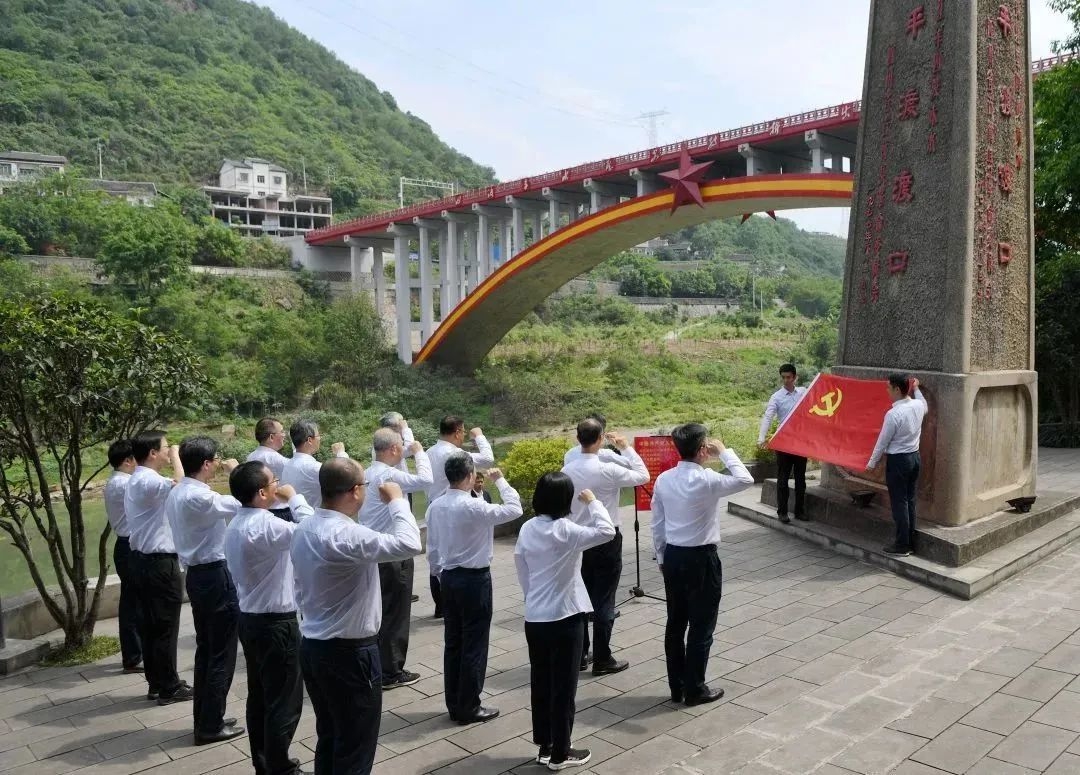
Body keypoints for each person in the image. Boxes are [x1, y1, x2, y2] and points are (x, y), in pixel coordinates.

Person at [291, 459, 421, 775]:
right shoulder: (347, 535)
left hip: (314, 646)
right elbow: (410, 543)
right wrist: (397, 501)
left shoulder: (305, 528)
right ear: (355, 491)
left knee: (331, 734)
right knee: (355, 745)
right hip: (349, 654)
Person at [515, 473, 615, 771]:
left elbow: (522, 568)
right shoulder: (567, 530)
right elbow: (607, 530)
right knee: (564, 686)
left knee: (541, 683)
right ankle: (561, 752)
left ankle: (545, 746)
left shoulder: (527, 528)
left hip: (536, 617)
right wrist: (594, 502)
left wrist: (533, 598)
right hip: (565, 617)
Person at [651, 423, 753, 707]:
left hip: (673, 555)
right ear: (701, 450)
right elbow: (745, 479)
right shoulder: (707, 479)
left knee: (675, 623)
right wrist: (725, 452)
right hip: (701, 558)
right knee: (701, 625)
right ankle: (695, 688)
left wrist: (661, 557)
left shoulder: (664, 479)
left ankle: (677, 686)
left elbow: (657, 523)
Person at [225, 462, 314, 775]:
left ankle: (263, 763)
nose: (278, 484)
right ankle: (280, 767)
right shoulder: (266, 526)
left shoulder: (236, 524)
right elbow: (313, 532)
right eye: (274, 481)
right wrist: (295, 498)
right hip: (276, 623)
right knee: (284, 700)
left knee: (260, 696)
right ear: (262, 493)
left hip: (250, 619)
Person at [426, 453, 522, 724]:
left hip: (448, 577)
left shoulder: (436, 506)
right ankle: (469, 705)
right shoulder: (473, 506)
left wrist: (439, 575)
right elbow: (514, 509)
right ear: (469, 476)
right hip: (474, 579)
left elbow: (432, 549)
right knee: (474, 643)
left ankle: (455, 703)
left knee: (454, 643)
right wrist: (500, 481)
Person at [166, 436, 244, 744]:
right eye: (216, 460)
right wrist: (238, 471)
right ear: (207, 464)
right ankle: (210, 724)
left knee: (207, 650)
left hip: (199, 576)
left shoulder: (179, 491)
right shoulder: (200, 497)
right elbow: (246, 500)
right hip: (214, 576)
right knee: (221, 653)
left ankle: (208, 716)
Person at [561, 419, 649, 676]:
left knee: (580, 597)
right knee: (604, 599)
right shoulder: (607, 468)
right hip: (606, 538)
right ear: (600, 439)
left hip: (577, 539)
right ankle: (602, 658)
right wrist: (625, 447)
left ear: (578, 438)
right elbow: (643, 476)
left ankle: (580, 655)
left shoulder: (566, 470)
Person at [358, 427, 433, 690]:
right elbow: (426, 479)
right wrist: (419, 452)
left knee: (381, 612)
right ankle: (391, 672)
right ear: (393, 449)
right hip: (393, 554)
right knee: (396, 613)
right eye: (401, 445)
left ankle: (379, 667)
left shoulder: (367, 473)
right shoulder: (389, 475)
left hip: (374, 552)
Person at [125, 430, 191, 705]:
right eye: (165, 448)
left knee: (151, 626)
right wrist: (178, 456)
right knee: (165, 626)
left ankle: (158, 681)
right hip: (159, 563)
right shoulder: (148, 480)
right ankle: (169, 687)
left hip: (143, 560)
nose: (168, 451)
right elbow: (183, 486)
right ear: (152, 453)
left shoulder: (138, 478)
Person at [426, 416, 494, 619]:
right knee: (460, 555)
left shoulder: (428, 453)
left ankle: (442, 604)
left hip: (435, 507)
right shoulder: (456, 454)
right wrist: (479, 436)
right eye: (463, 432)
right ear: (457, 432)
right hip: (456, 505)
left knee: (438, 554)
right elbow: (488, 459)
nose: (463, 435)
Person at [866, 375, 928, 557]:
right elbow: (924, 405)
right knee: (910, 500)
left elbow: (882, 442)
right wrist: (916, 388)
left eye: (889, 387)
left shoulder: (893, 414)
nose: (887, 391)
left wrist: (872, 463)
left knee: (899, 502)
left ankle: (902, 545)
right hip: (914, 458)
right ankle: (909, 541)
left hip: (898, 461)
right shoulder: (917, 405)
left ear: (897, 389)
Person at [104, 439, 142, 673]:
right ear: (128, 461)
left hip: (126, 545)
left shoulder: (116, 481)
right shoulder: (124, 483)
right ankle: (133, 656)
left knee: (133, 602)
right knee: (133, 604)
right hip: (129, 547)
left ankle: (135, 654)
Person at [758, 363, 809, 524]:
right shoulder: (776, 397)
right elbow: (768, 417)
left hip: (800, 442)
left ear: (795, 377)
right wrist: (761, 438)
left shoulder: (803, 392)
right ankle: (782, 512)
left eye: (789, 377)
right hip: (784, 443)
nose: (786, 380)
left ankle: (799, 511)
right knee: (783, 479)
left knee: (800, 479)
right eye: (783, 377)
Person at [281, 419, 348, 508]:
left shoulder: (288, 465)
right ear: (309, 440)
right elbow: (344, 477)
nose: (320, 438)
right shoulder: (313, 467)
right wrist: (341, 453)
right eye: (318, 435)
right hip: (311, 514)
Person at [248, 418, 292, 521]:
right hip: (279, 512)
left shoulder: (250, 457)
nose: (284, 435)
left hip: (257, 511)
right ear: (271, 437)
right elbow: (297, 469)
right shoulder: (276, 459)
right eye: (281, 432)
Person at [563, 412, 634, 469]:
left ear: (578, 436)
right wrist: (625, 448)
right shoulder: (607, 455)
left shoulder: (569, 454)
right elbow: (633, 466)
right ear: (602, 436)